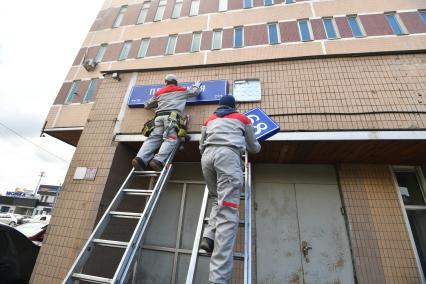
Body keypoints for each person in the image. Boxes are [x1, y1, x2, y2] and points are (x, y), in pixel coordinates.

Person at [199, 95, 261, 284]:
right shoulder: (243, 119)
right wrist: (257, 145)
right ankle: (218, 278)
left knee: (218, 199)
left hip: (207, 158)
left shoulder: (209, 120)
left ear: (220, 106)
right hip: (228, 156)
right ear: (234, 107)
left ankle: (208, 237)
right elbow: (253, 147)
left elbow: (201, 145)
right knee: (228, 213)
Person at [132, 74, 201, 171]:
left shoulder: (159, 92)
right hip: (171, 118)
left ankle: (140, 159)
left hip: (158, 117)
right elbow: (195, 92)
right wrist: (196, 85)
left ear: (166, 82)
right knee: (170, 138)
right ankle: (158, 160)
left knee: (153, 139)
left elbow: (147, 105)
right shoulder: (181, 90)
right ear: (175, 82)